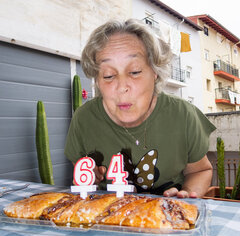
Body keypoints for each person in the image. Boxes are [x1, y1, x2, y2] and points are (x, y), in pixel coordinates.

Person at [65, 19, 216, 198]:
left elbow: (200, 171)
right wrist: (92, 178)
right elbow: (79, 174)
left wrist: (186, 196)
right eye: (108, 75)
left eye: (135, 72)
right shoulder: (84, 119)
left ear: (155, 72)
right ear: (97, 80)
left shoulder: (183, 115)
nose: (122, 87)